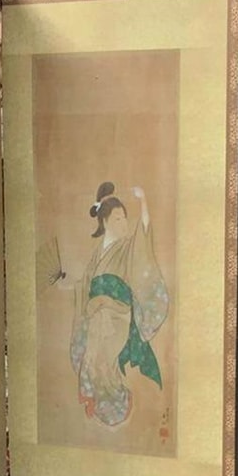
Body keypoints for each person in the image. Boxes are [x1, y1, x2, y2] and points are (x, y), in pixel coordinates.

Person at [70, 181, 168, 428]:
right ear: (103, 223)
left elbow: (144, 234)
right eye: (117, 219)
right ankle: (101, 401)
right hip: (95, 317)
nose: (123, 224)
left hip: (116, 315)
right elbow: (85, 284)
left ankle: (118, 401)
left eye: (124, 219)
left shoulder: (127, 248)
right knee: (92, 361)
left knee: (105, 361)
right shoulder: (97, 253)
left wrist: (144, 200)